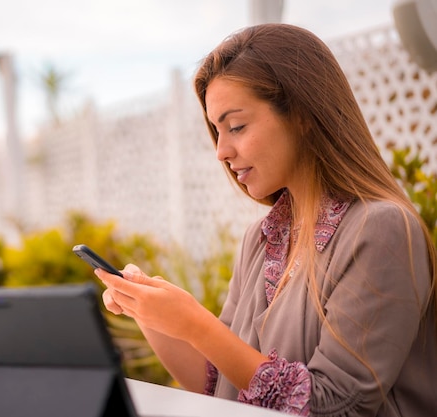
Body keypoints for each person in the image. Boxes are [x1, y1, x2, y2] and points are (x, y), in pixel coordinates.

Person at [95, 23, 437, 416]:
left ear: (303, 114)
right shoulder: (260, 239)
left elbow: (337, 406)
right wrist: (151, 314)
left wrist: (196, 325)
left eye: (236, 126)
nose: (221, 150)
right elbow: (219, 382)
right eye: (216, 130)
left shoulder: (380, 230)